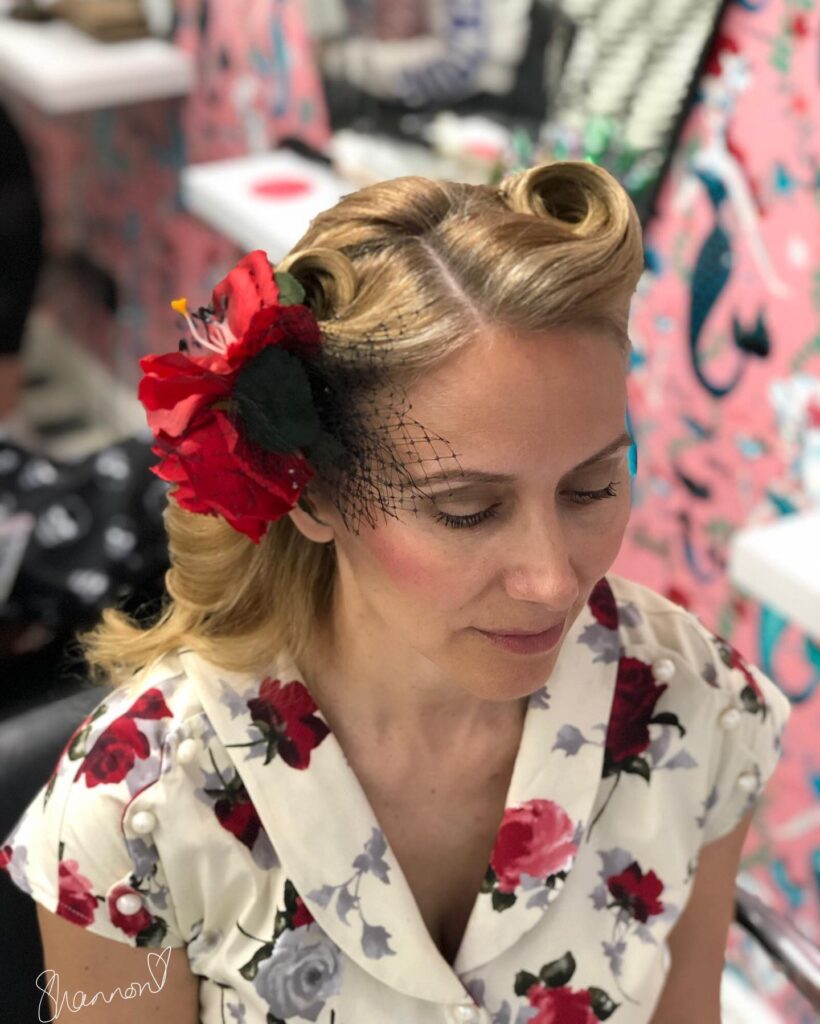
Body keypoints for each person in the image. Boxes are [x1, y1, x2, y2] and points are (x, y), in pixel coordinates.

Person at [0, 161, 792, 1024]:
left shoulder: (696, 705)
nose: (553, 579)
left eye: (592, 489)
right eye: (467, 510)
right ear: (309, 493)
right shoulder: (136, 815)